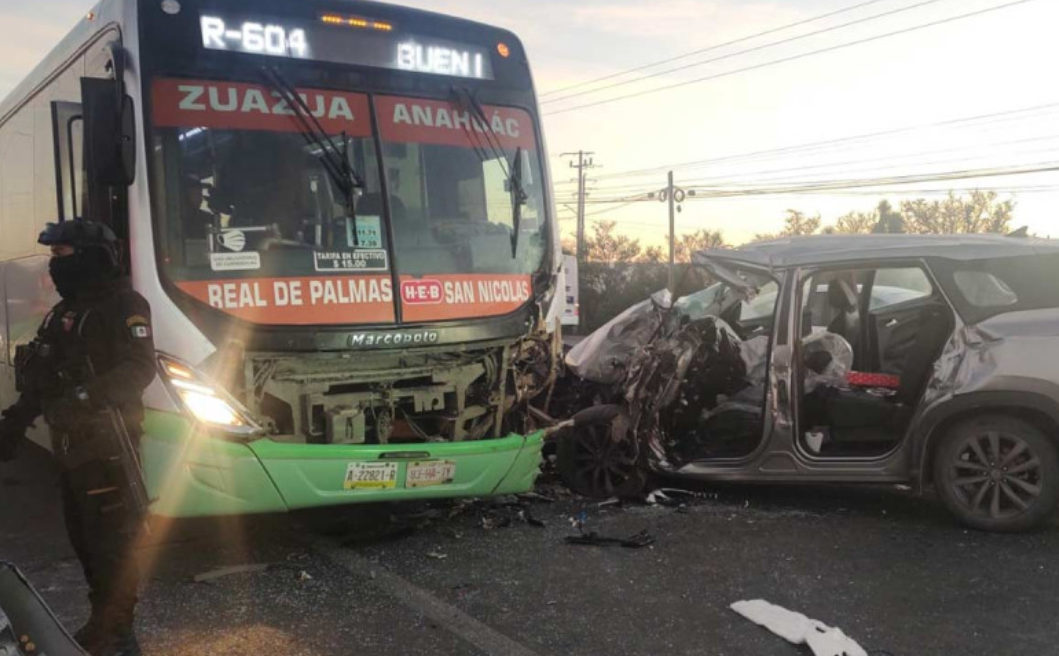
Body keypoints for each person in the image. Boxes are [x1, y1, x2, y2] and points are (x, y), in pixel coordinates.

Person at [0, 219, 156, 656]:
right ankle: (102, 622)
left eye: (63, 255)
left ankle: (121, 636)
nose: (55, 265)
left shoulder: (124, 303)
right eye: (53, 256)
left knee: (112, 546)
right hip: (71, 450)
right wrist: (14, 422)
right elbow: (43, 375)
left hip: (108, 447)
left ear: (93, 256)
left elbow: (139, 368)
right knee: (84, 541)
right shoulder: (64, 310)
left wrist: (85, 397)